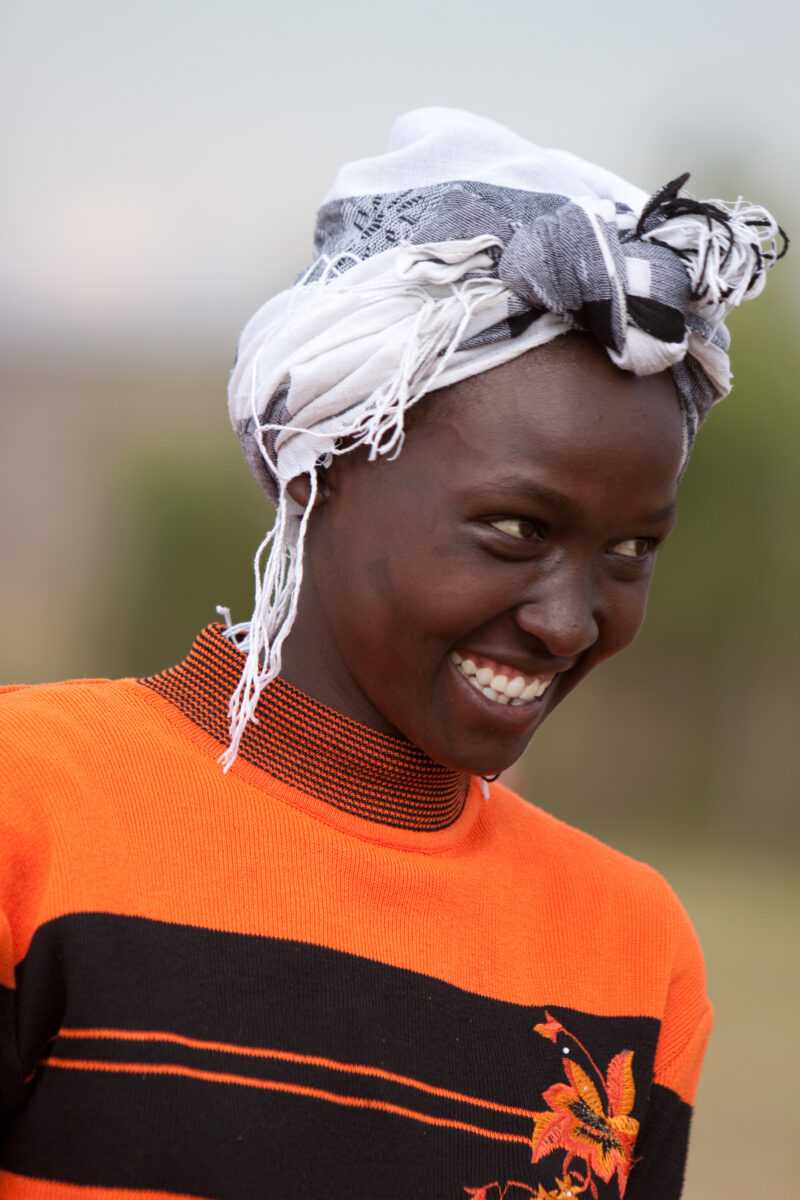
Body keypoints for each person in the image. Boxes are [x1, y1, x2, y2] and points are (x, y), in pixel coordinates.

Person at [0, 109, 786, 1199]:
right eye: (514, 529)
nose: (566, 622)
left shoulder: (630, 953)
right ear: (319, 468)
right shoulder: (32, 809)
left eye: (628, 549)